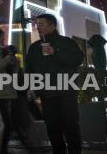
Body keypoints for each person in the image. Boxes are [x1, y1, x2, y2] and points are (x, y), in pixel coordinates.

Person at [25, 14, 83, 154]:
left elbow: (77, 59)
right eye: (37, 24)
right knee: (52, 126)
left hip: (66, 90)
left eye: (41, 24)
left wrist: (55, 52)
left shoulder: (66, 42)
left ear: (52, 25)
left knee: (70, 125)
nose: (38, 27)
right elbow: (30, 69)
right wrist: (30, 87)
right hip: (47, 93)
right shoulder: (34, 47)